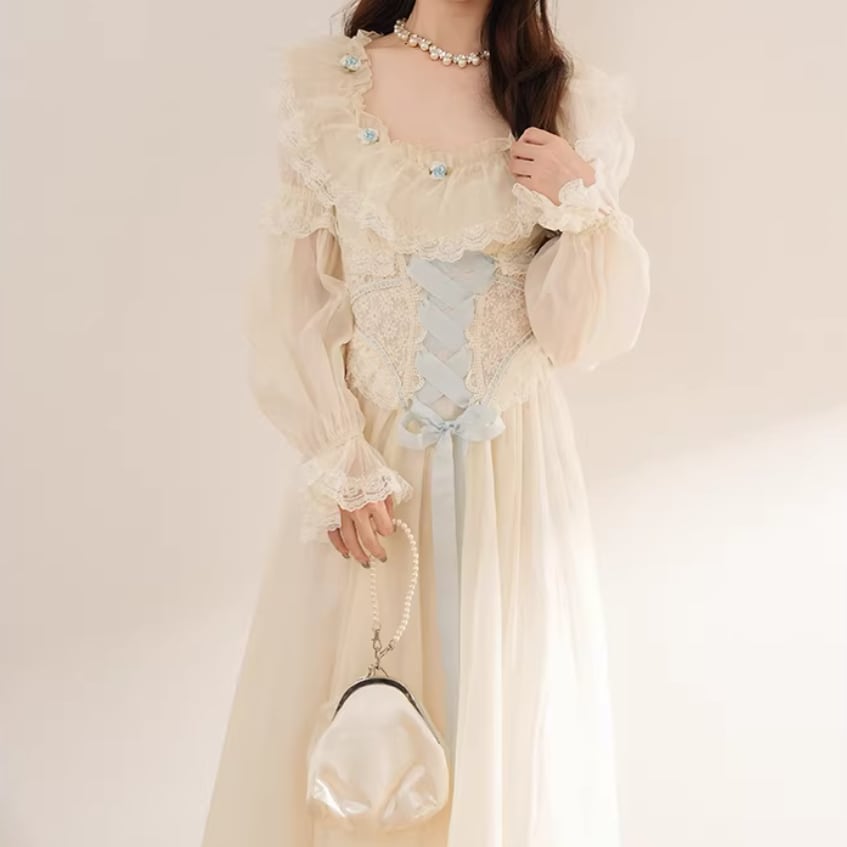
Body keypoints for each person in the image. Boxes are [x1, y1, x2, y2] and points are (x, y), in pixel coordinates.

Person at [201, 0, 650, 845]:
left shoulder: (561, 97)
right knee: (354, 743)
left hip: (512, 478)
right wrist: (337, 457)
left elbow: (578, 337)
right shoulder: (329, 89)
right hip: (372, 479)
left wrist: (581, 203)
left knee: (504, 723)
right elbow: (294, 299)